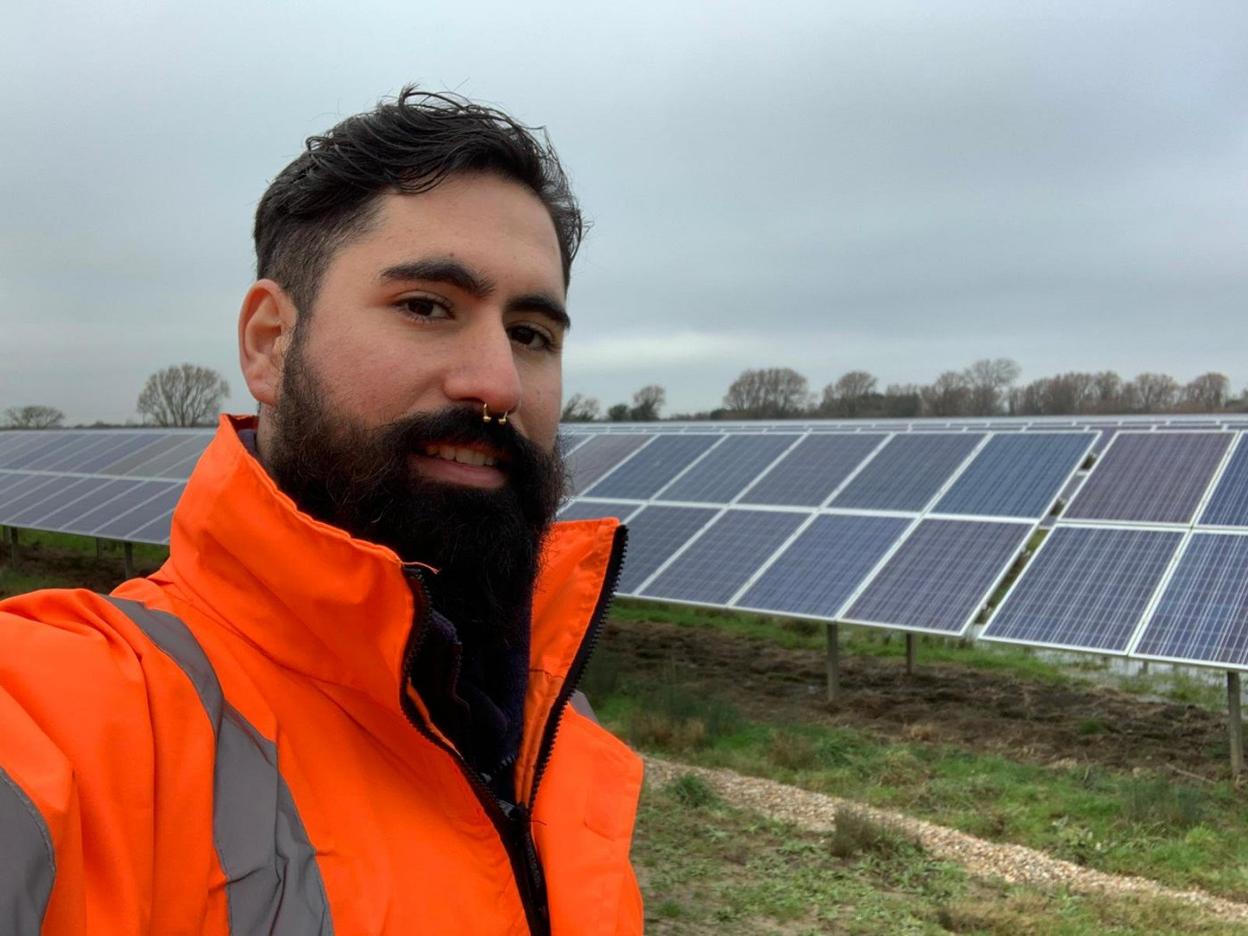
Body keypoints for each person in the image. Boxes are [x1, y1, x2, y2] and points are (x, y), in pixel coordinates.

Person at [0, 88, 642, 935]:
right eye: (426, 307)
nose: (496, 384)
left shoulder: (560, 736)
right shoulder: (80, 712)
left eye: (531, 333)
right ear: (270, 343)